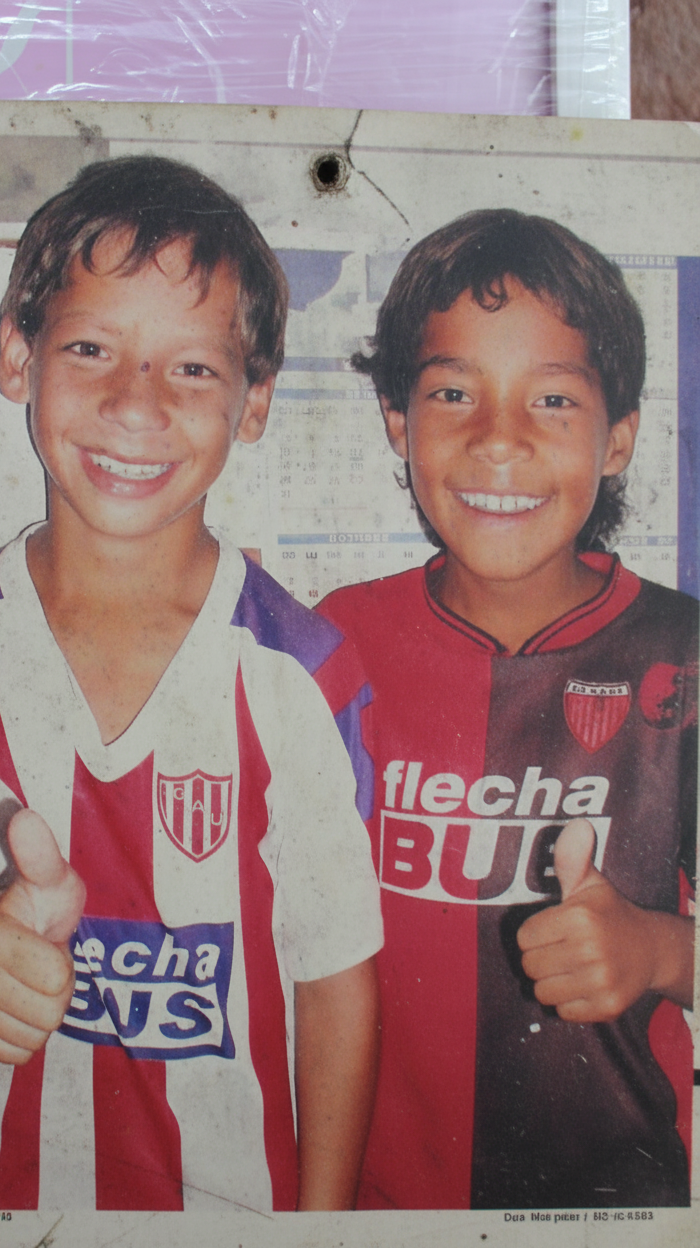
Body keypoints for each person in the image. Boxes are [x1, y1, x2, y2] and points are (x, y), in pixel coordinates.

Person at [0, 155, 382, 1213]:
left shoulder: (298, 671)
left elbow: (335, 984)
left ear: (253, 403)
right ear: (18, 355)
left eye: (190, 367)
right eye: (92, 348)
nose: (133, 403)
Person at [318, 209, 696, 1210]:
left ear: (618, 440)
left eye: (553, 400)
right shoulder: (333, 645)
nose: (497, 439)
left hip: (612, 1210)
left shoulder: (685, 658)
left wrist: (658, 951)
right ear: (398, 424)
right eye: (453, 393)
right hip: (374, 1207)